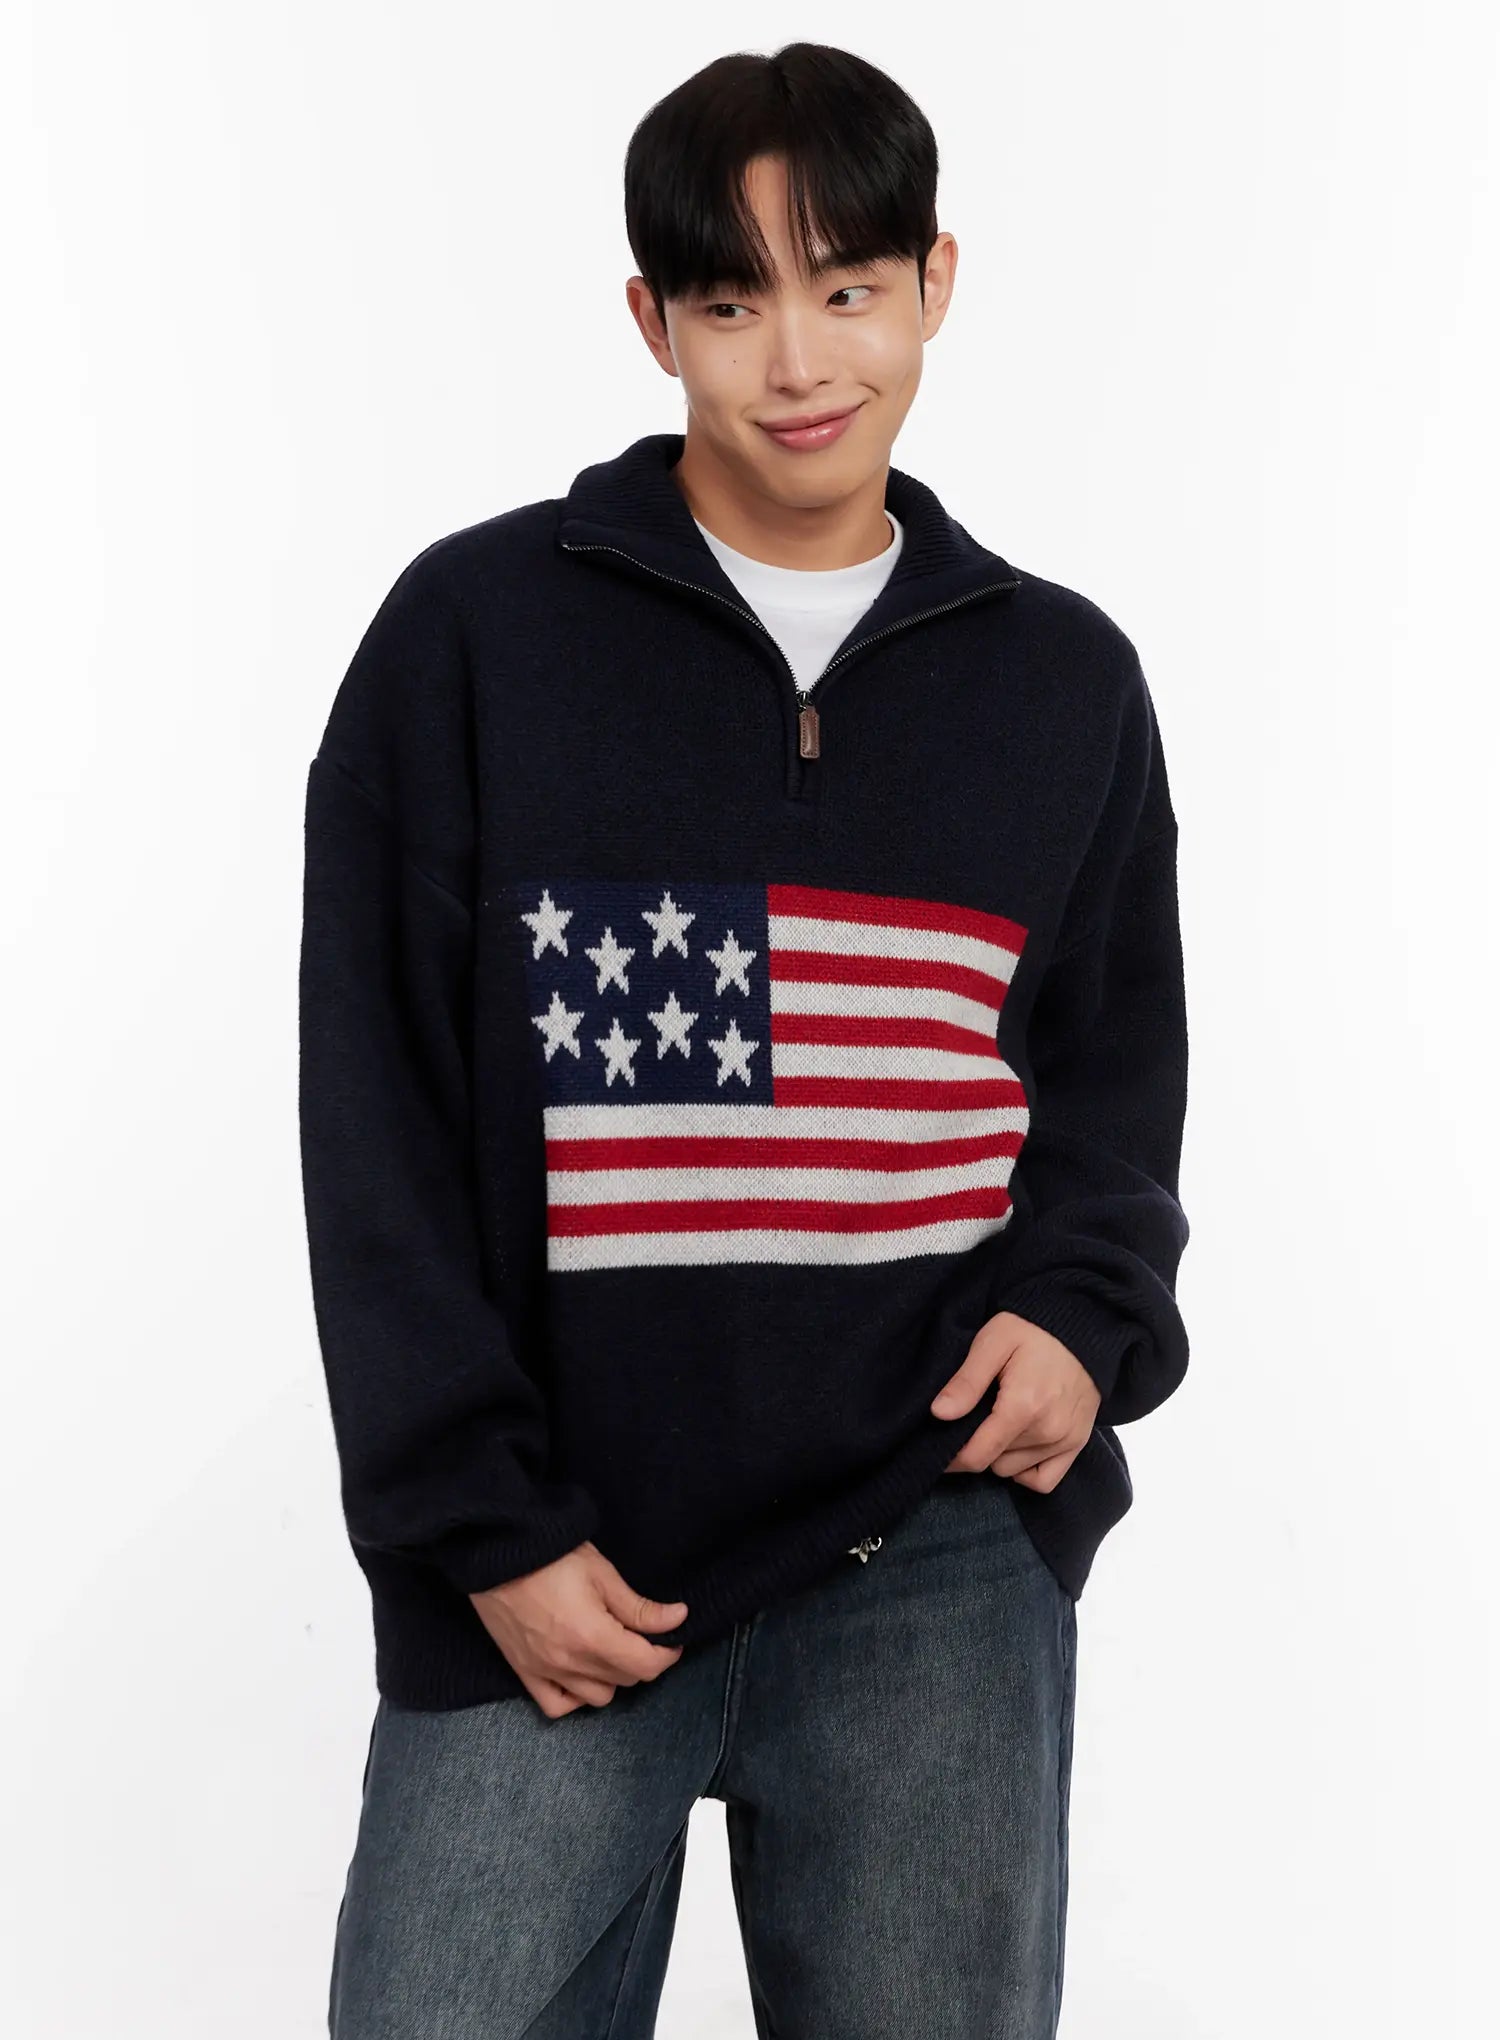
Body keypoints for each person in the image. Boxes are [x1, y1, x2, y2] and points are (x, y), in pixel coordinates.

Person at [298, 40, 1191, 2040]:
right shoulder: (473, 637)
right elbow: (375, 1116)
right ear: (653, 320)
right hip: (555, 1562)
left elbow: (1115, 1073)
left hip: (935, 1552)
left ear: (935, 282)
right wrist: (476, 1523)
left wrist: (1082, 1311)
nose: (798, 360)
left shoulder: (1065, 680)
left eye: (849, 288)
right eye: (731, 302)